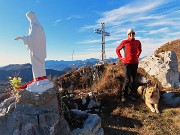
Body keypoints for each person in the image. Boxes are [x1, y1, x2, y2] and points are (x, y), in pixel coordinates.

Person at [14, 11, 53, 92]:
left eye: (29, 18)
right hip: (38, 50)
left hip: (36, 50)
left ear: (32, 17)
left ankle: (39, 80)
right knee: (39, 65)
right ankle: (39, 79)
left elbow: (32, 39)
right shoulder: (39, 26)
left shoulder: (35, 26)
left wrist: (22, 38)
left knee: (36, 65)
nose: (29, 20)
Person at [116, 28, 142, 102]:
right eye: (130, 34)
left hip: (135, 63)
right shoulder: (124, 42)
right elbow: (117, 50)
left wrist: (138, 56)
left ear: (134, 34)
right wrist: (121, 58)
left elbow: (140, 49)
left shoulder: (138, 42)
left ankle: (130, 94)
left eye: (133, 33)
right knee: (127, 80)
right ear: (128, 35)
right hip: (127, 63)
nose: (131, 35)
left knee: (133, 80)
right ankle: (123, 96)